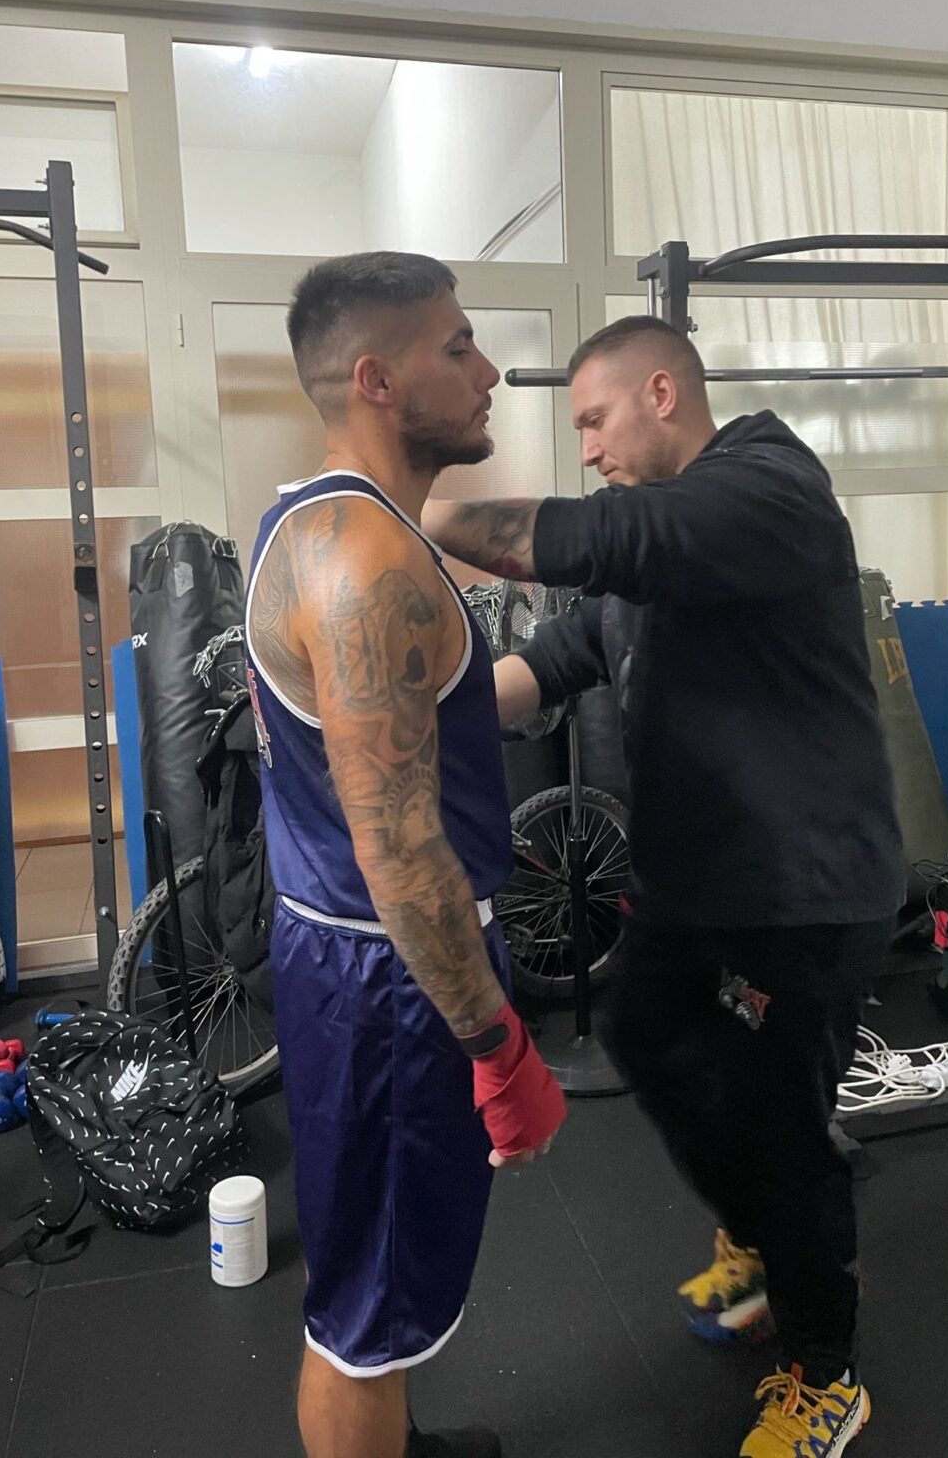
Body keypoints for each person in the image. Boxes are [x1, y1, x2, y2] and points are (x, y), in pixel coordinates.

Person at [422, 316, 905, 1458]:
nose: (587, 447)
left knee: (780, 1127)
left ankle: (825, 1372)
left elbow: (609, 537)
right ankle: (761, 1232)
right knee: (646, 1031)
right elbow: (549, 661)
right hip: (700, 886)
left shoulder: (769, 489)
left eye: (595, 421)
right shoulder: (648, 556)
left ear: (662, 393)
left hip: (803, 893)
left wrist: (408, 513)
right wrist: (407, 714)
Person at [245, 252, 566, 1458]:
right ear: (378, 380)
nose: (490, 373)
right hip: (390, 981)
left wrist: (574, 648)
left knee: (377, 1270)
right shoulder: (365, 565)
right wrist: (497, 1045)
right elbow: (401, 849)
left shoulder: (330, 518)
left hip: (355, 961)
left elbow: (432, 714)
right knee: (364, 1322)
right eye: (459, 347)